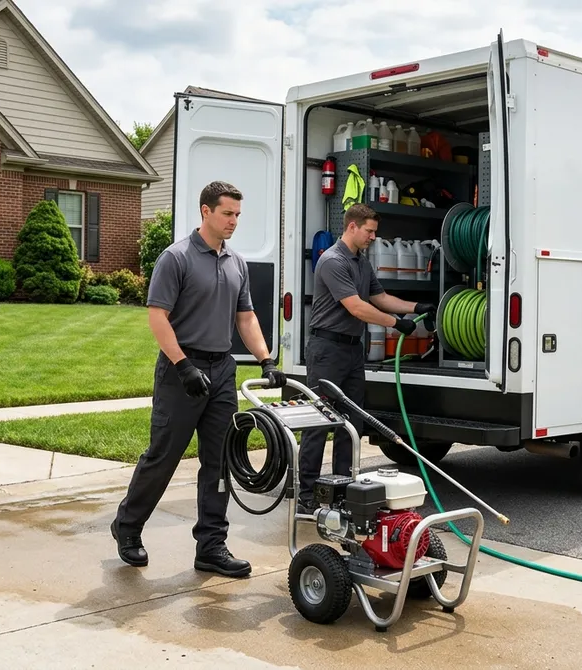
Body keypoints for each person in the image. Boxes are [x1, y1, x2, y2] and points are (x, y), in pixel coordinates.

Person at [111, 180, 285, 578]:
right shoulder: (176, 258)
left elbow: (245, 317)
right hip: (181, 372)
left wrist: (265, 359)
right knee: (164, 455)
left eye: (238, 215)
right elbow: (158, 316)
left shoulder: (236, 262)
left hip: (222, 370)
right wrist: (182, 365)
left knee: (219, 460)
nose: (234, 221)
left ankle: (211, 545)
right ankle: (128, 526)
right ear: (205, 211)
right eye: (227, 213)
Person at [298, 204, 435, 512]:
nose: (373, 236)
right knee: (319, 424)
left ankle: (343, 489)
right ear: (352, 227)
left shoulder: (361, 262)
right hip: (327, 351)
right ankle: (306, 496)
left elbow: (380, 298)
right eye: (369, 231)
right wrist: (395, 323)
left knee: (351, 423)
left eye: (375, 231)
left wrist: (417, 307)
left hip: (351, 350)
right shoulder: (332, 261)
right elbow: (357, 307)